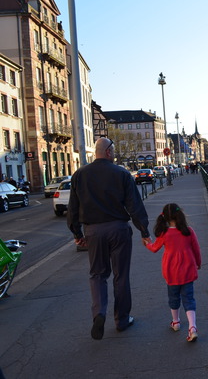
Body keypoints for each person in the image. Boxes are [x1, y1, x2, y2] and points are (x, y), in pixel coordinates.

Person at [67, 137, 151, 340]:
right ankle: (122, 320)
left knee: (97, 274)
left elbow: (73, 209)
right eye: (112, 150)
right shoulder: (121, 174)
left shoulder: (79, 175)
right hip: (118, 229)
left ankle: (99, 313)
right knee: (120, 275)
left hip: (93, 232)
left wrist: (77, 234)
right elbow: (134, 206)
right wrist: (144, 231)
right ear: (108, 152)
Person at [144, 203, 202, 342]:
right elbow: (196, 250)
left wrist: (147, 243)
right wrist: (198, 263)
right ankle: (192, 327)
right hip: (187, 270)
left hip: (171, 271)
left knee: (173, 298)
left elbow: (154, 248)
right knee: (189, 299)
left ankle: (176, 322)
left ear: (164, 217)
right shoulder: (188, 231)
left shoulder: (164, 234)